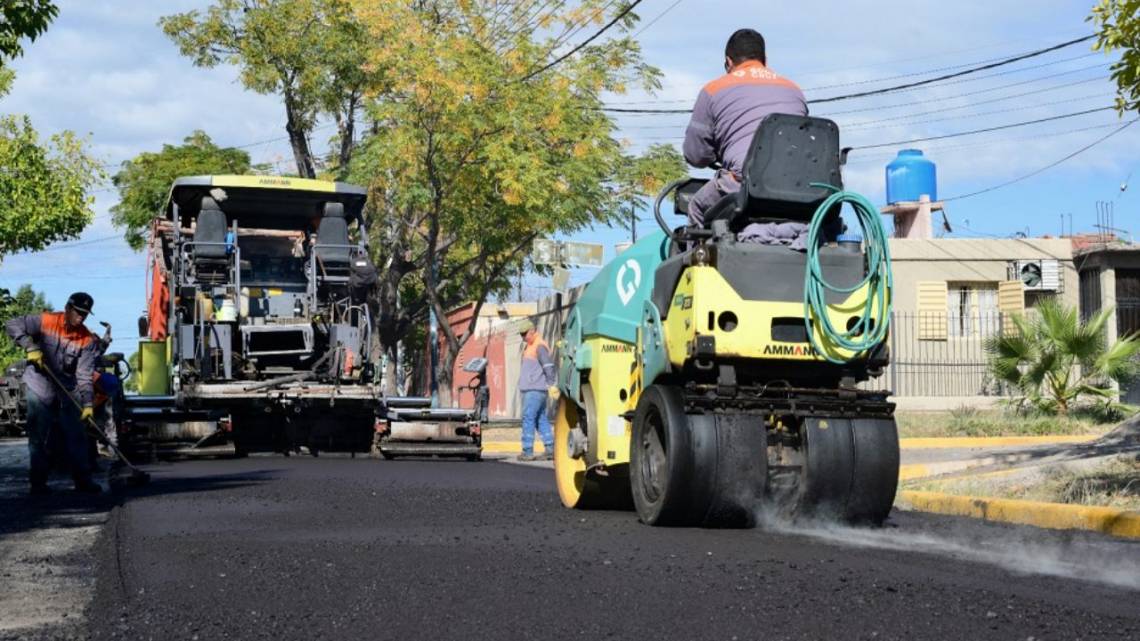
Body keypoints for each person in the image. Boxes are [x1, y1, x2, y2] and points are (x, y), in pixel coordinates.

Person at [683, 28, 809, 226]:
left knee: (696, 207)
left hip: (742, 186)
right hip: (794, 188)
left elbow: (695, 155)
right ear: (764, 60)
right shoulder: (794, 90)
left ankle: (700, 255)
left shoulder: (713, 90)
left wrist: (716, 153)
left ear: (728, 62)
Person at [5, 292, 103, 495]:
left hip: (67, 391)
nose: (81, 317)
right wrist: (30, 346)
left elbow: (84, 376)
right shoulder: (46, 320)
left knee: (77, 435)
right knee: (38, 438)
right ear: (68, 308)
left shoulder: (86, 340)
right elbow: (12, 324)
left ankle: (83, 481)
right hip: (39, 386)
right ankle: (38, 485)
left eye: (85, 314)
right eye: (78, 312)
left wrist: (87, 404)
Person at [516, 319, 556, 462]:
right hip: (535, 389)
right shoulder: (530, 346)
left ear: (532, 331)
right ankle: (551, 448)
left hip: (534, 390)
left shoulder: (539, 346)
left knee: (528, 418)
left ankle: (527, 451)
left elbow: (548, 366)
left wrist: (551, 383)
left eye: (524, 334)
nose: (522, 337)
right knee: (540, 418)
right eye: (521, 335)